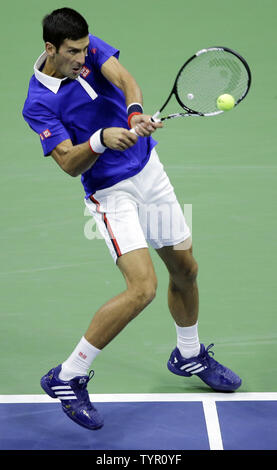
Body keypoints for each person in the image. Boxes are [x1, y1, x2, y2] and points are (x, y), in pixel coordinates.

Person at [22, 7, 241, 431]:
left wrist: (135, 113)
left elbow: (124, 79)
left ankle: (189, 353)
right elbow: (68, 162)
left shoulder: (88, 49)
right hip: (111, 193)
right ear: (50, 49)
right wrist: (101, 140)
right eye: (72, 52)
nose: (82, 58)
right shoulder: (38, 102)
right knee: (142, 288)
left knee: (186, 269)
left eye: (85, 49)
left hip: (149, 173)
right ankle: (68, 376)